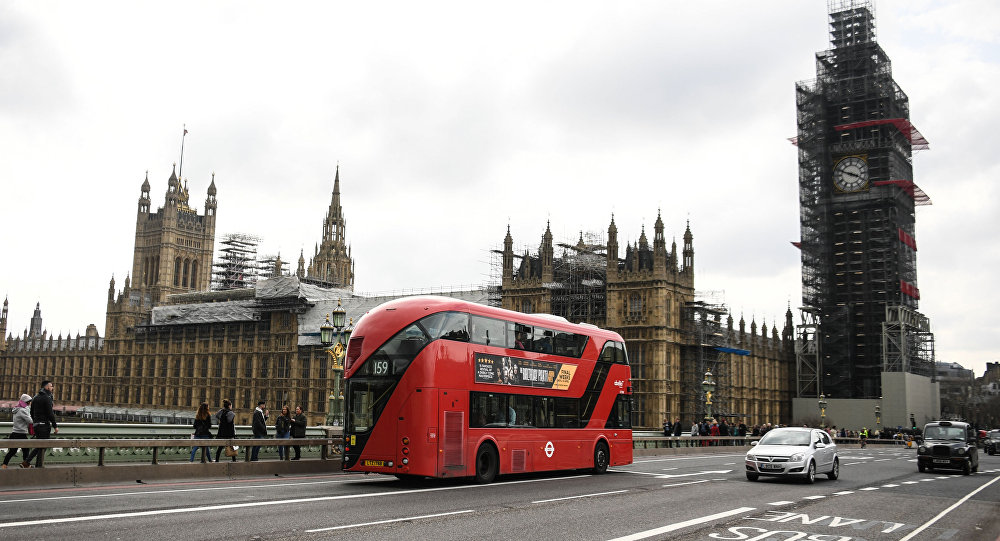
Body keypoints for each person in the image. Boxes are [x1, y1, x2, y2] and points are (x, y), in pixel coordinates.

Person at [25, 380, 58, 468]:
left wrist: (35, 421)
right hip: (44, 425)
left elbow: (31, 412)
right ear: (47, 387)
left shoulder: (35, 397)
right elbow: (50, 413)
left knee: (40, 445)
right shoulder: (47, 397)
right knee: (43, 445)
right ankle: (30, 462)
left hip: (36, 425)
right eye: (51, 386)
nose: (52, 388)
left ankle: (35, 464)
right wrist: (55, 426)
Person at [2, 394, 33, 469]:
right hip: (20, 433)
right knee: (25, 450)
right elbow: (30, 421)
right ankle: (26, 464)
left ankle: (4, 465)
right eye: (30, 402)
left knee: (13, 451)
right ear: (27, 402)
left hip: (15, 433)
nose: (31, 403)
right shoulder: (22, 410)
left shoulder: (17, 409)